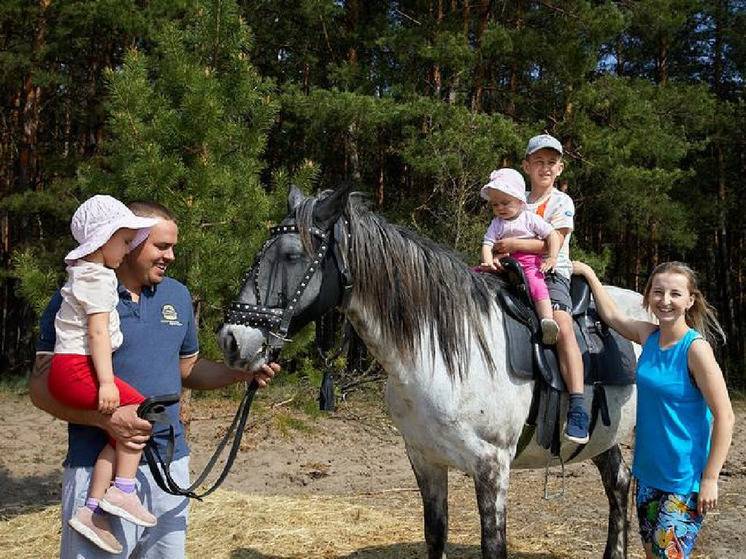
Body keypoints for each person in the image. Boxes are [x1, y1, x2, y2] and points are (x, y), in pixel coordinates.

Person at [30, 200, 279, 559]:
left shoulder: (177, 296)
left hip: (169, 465)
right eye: (161, 246)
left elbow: (187, 369)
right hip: (95, 469)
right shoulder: (78, 295)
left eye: (173, 246)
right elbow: (40, 388)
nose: (171, 256)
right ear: (130, 242)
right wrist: (107, 419)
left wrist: (241, 373)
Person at [573, 260, 734, 559]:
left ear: (690, 300)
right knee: (652, 553)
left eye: (675, 293)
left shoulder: (695, 349)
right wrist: (589, 274)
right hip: (647, 474)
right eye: (658, 292)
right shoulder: (648, 336)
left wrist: (710, 479)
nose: (665, 300)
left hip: (683, 480)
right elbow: (611, 316)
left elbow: (725, 415)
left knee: (666, 556)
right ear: (648, 297)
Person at [50, 195, 160, 553]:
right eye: (125, 241)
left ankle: (94, 509)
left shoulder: (85, 273)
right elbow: (97, 333)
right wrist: (108, 382)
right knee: (141, 411)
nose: (128, 250)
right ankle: (122, 491)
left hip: (72, 369)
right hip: (75, 368)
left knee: (121, 433)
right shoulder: (97, 278)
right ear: (105, 237)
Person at [491, 134, 589, 443]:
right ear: (526, 166)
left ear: (560, 168)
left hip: (550, 273)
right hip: (512, 273)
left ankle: (577, 404)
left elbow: (554, 242)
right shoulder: (513, 198)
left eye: (551, 163)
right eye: (538, 162)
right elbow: (494, 236)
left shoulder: (561, 202)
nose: (545, 168)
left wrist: (514, 244)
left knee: (561, 324)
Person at [479, 168, 562, 344]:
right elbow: (487, 243)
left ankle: (547, 320)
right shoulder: (496, 223)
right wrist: (487, 262)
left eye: (505, 202)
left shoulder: (529, 218)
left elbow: (552, 235)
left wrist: (552, 257)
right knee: (475, 274)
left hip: (529, 261)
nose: (500, 208)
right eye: (495, 204)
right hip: (504, 262)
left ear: (519, 200)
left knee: (536, 283)